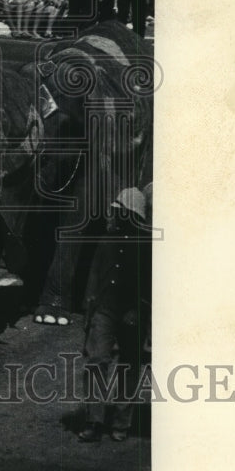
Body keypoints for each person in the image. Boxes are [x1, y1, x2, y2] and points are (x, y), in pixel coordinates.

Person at [79, 186, 152, 443]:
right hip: (105, 310)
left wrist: (139, 311)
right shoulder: (106, 240)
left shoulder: (146, 246)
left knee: (130, 365)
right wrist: (89, 315)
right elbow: (94, 278)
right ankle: (93, 420)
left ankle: (121, 422)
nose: (113, 214)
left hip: (132, 312)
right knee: (97, 360)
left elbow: (151, 285)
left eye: (118, 211)